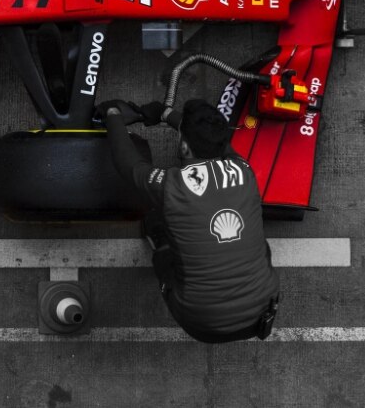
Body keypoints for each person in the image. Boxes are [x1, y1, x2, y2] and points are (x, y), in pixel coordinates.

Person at [98, 97, 280, 343]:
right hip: (263, 312)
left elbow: (128, 163)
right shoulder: (245, 170)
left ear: (184, 148)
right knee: (260, 245)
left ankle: (160, 242)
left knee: (157, 223)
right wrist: (167, 114)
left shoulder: (170, 186)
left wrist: (112, 114)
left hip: (202, 324)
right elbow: (219, 141)